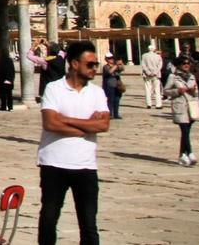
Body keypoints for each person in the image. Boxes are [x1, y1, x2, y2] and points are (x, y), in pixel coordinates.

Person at [36, 40, 109, 245]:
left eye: (95, 64)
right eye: (90, 64)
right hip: (54, 163)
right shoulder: (54, 88)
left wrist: (66, 119)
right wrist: (86, 126)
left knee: (88, 223)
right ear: (75, 64)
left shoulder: (97, 92)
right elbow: (50, 123)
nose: (95, 68)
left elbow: (103, 125)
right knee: (49, 218)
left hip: (85, 165)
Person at [164, 54, 199, 166]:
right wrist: (178, 91)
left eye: (188, 63)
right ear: (179, 65)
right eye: (184, 63)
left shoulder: (192, 76)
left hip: (191, 107)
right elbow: (166, 91)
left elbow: (196, 92)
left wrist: (193, 91)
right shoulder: (172, 77)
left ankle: (182, 154)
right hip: (180, 106)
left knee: (187, 132)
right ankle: (190, 152)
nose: (186, 65)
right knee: (184, 130)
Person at [140, 44, 164, 110]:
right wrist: (155, 72)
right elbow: (160, 65)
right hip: (156, 75)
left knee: (148, 89)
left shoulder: (144, 56)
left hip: (147, 75)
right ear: (154, 49)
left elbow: (143, 65)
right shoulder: (158, 56)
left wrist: (148, 72)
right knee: (157, 90)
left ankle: (149, 104)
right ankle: (158, 104)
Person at [100, 54, 123, 120]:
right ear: (107, 59)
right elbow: (110, 72)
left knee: (117, 100)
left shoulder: (115, 66)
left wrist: (121, 64)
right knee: (110, 100)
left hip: (117, 85)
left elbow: (122, 69)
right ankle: (110, 114)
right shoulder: (105, 67)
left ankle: (116, 114)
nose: (111, 59)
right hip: (109, 85)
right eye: (110, 58)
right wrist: (116, 66)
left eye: (112, 58)